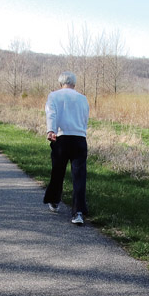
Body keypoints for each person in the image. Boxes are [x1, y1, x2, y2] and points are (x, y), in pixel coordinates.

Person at [43, 71, 90, 225]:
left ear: (60, 83)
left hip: (61, 138)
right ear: (74, 84)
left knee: (58, 171)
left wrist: (51, 130)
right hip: (79, 138)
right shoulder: (82, 98)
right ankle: (78, 213)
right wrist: (81, 131)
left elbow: (51, 114)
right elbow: (85, 118)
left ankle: (55, 201)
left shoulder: (54, 96)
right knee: (79, 176)